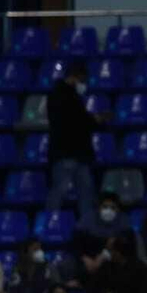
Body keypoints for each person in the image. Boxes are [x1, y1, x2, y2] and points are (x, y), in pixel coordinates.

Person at [46, 62, 102, 232]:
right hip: (66, 152)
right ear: (75, 77)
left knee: (85, 194)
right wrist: (93, 120)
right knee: (60, 192)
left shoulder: (66, 96)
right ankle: (51, 226)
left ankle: (86, 229)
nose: (83, 84)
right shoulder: (62, 96)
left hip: (78, 153)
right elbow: (75, 122)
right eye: (82, 79)